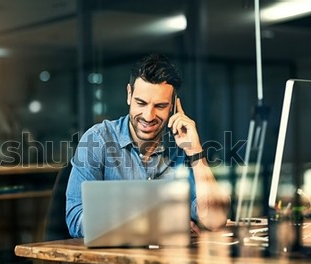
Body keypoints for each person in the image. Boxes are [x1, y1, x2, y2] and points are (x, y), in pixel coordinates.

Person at [66, 53, 229, 239]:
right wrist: (162, 223)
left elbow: (215, 220)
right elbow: (76, 220)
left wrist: (195, 152)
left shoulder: (182, 148)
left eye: (160, 106)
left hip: (171, 263)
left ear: (173, 106)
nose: (148, 116)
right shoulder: (98, 140)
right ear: (129, 94)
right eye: (141, 103)